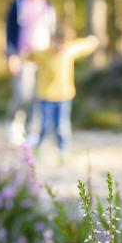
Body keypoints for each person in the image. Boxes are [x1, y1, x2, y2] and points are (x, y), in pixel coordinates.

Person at [25, 30, 99, 159]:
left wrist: (92, 41)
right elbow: (27, 55)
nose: (60, 48)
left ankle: (63, 151)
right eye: (58, 44)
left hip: (64, 95)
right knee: (44, 125)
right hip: (45, 95)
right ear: (53, 41)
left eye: (63, 45)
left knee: (62, 125)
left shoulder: (70, 50)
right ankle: (38, 148)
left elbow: (84, 45)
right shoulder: (43, 54)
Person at [5, 0, 56, 145]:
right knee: (22, 93)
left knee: (38, 95)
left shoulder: (48, 5)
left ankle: (33, 131)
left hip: (43, 57)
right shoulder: (19, 3)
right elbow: (10, 31)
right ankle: (15, 123)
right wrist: (11, 55)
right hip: (23, 55)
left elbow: (52, 32)